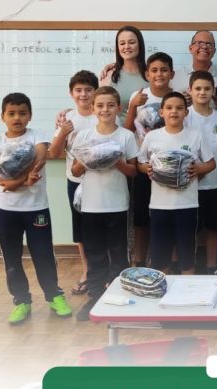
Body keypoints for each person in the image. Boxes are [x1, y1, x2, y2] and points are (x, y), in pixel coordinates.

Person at [0, 93, 72, 324]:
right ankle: (21, 301)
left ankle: (54, 296)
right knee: (11, 257)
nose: (17, 118)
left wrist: (14, 183)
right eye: (11, 113)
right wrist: (22, 182)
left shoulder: (38, 136)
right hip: (5, 209)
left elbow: (40, 159)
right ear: (2, 116)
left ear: (30, 115)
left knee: (43, 255)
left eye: (22, 113)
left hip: (36, 208)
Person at [70, 86, 138, 321]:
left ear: (119, 108)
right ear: (92, 109)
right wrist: (91, 159)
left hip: (117, 204)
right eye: (100, 105)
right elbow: (75, 170)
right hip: (91, 206)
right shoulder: (85, 136)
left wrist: (116, 160)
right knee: (95, 253)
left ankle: (119, 297)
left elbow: (133, 171)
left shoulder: (126, 136)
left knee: (119, 253)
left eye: (110, 105)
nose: (105, 109)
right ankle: (95, 296)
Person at [139, 91, 216, 274]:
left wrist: (198, 169)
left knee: (186, 254)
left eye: (179, 108)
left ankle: (187, 293)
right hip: (159, 205)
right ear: (161, 112)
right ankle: (161, 292)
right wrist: (146, 169)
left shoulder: (195, 135)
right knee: (159, 255)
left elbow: (211, 163)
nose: (174, 111)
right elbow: (141, 162)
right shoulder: (152, 137)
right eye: (169, 108)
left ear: (186, 112)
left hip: (187, 204)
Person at [50, 70, 99, 296]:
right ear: (71, 93)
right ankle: (87, 271)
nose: (83, 94)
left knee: (101, 227)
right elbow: (54, 153)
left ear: (96, 91)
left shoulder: (104, 113)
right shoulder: (67, 118)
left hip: (103, 183)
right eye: (78, 90)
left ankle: (105, 272)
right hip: (76, 182)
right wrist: (62, 132)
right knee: (80, 230)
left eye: (88, 90)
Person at [124, 52, 175, 268]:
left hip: (171, 165)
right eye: (154, 70)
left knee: (169, 215)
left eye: (164, 69)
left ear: (171, 73)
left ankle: (169, 260)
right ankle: (139, 259)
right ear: (146, 74)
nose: (159, 74)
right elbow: (126, 131)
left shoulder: (177, 98)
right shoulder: (139, 96)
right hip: (145, 165)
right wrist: (133, 106)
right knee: (142, 216)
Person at [185, 70, 217, 275]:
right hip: (191, 183)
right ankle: (189, 266)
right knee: (190, 228)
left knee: (214, 227)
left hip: (216, 182)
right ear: (190, 91)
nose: (202, 92)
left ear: (213, 91)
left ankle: (212, 265)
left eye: (207, 88)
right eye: (198, 88)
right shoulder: (185, 115)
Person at [99, 25, 149, 124]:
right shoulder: (108, 76)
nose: (126, 47)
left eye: (132, 42)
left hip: (148, 135)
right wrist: (68, 112)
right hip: (118, 136)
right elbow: (96, 107)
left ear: (140, 44)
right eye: (122, 43)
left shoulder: (152, 74)